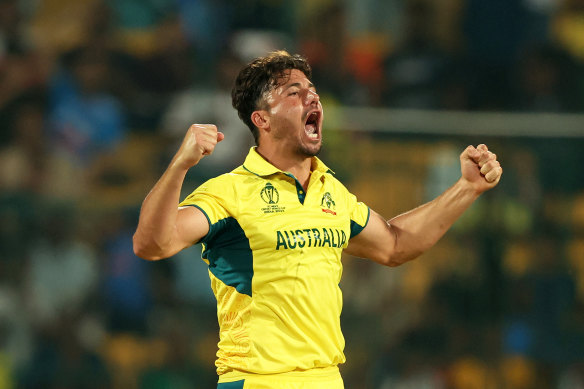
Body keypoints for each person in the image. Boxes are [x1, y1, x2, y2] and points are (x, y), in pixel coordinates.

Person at [133, 50, 503, 389]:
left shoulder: (331, 192)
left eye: (312, 90)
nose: (312, 98)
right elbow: (153, 244)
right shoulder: (228, 193)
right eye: (294, 93)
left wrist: (466, 189)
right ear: (261, 118)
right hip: (258, 381)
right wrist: (181, 164)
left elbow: (395, 245)